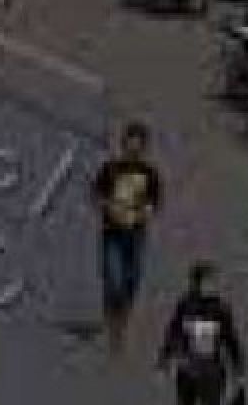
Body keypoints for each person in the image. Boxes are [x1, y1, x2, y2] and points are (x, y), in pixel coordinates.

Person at [92, 122, 162, 353]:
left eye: (138, 145)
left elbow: (155, 200)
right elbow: (97, 194)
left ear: (143, 148)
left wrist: (148, 210)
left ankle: (123, 316)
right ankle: (114, 326)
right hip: (112, 233)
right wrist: (107, 206)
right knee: (113, 279)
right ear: (123, 145)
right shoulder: (110, 169)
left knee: (132, 279)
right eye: (129, 144)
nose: (133, 149)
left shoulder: (149, 173)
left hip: (136, 234)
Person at [157, 263, 245, 405]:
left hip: (209, 370)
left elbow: (231, 339)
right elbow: (173, 333)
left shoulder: (219, 309)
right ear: (196, 284)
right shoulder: (186, 306)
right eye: (209, 281)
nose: (214, 286)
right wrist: (165, 359)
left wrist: (238, 368)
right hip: (191, 369)